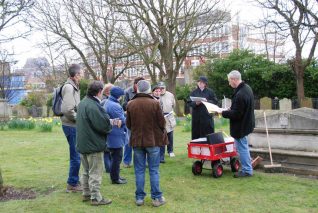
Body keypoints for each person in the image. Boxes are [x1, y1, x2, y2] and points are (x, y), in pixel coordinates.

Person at [126, 80, 168, 207]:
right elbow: (162, 123)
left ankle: (140, 198)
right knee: (154, 170)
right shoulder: (154, 103)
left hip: (137, 141)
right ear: (149, 89)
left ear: (137, 89)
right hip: (152, 141)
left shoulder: (130, 104)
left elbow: (128, 124)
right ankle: (156, 198)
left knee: (139, 170)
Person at [76, 81, 112, 206]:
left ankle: (86, 194)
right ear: (99, 91)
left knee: (85, 171)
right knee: (95, 172)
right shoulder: (93, 106)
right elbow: (103, 125)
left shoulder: (82, 103)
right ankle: (96, 198)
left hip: (83, 143)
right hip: (93, 144)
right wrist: (109, 124)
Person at [217, 70, 255, 178]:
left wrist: (222, 112)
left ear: (234, 79)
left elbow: (237, 114)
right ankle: (248, 167)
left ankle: (247, 170)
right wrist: (231, 108)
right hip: (246, 123)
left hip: (241, 126)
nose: (229, 83)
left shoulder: (240, 93)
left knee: (242, 148)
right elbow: (240, 108)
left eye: (229, 81)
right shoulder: (247, 88)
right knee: (244, 147)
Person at [61, 64, 82, 193]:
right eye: (81, 74)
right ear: (75, 75)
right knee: (76, 156)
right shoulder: (69, 87)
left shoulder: (72, 86)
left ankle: (74, 180)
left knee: (76, 154)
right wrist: (79, 119)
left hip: (71, 125)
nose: (81, 77)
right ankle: (72, 183)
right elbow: (68, 110)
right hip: (71, 125)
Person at [104, 86, 127, 184]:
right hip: (115, 135)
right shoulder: (115, 105)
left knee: (115, 157)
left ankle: (116, 176)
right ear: (118, 96)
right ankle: (115, 179)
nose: (122, 98)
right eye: (121, 96)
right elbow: (121, 120)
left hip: (112, 134)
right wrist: (128, 116)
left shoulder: (108, 102)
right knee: (117, 157)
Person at [122, 77, 145, 168]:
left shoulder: (145, 91)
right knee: (129, 141)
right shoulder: (128, 92)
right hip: (131, 120)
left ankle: (142, 162)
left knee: (143, 141)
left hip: (143, 120)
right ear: (135, 85)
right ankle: (127, 162)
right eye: (139, 85)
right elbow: (123, 105)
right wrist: (131, 103)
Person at [158, 82, 176, 162]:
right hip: (160, 118)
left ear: (165, 88)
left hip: (169, 117)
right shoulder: (156, 95)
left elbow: (173, 105)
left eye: (163, 88)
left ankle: (170, 151)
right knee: (161, 136)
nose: (161, 90)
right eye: (160, 88)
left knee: (170, 135)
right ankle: (161, 154)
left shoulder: (170, 95)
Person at [101, 83, 114, 173]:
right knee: (107, 150)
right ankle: (109, 168)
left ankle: (109, 167)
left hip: (105, 127)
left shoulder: (102, 99)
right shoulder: (105, 101)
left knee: (107, 150)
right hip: (107, 127)